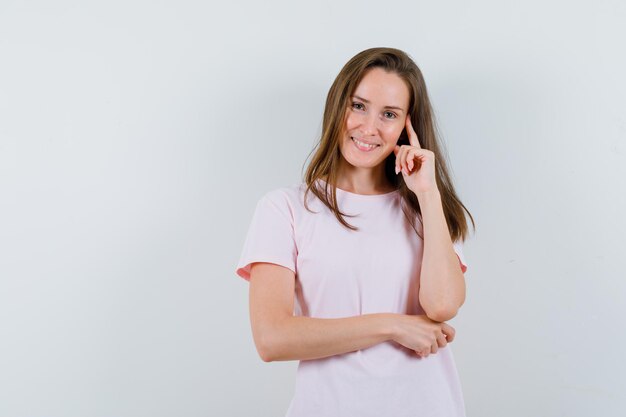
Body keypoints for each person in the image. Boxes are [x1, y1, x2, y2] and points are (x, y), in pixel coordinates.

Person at [235, 47, 476, 417]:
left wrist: (427, 194)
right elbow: (272, 339)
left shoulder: (427, 210)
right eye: (358, 106)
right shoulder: (284, 209)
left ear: (407, 126)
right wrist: (392, 326)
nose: (368, 127)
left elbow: (442, 305)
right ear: (338, 107)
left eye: (389, 114)